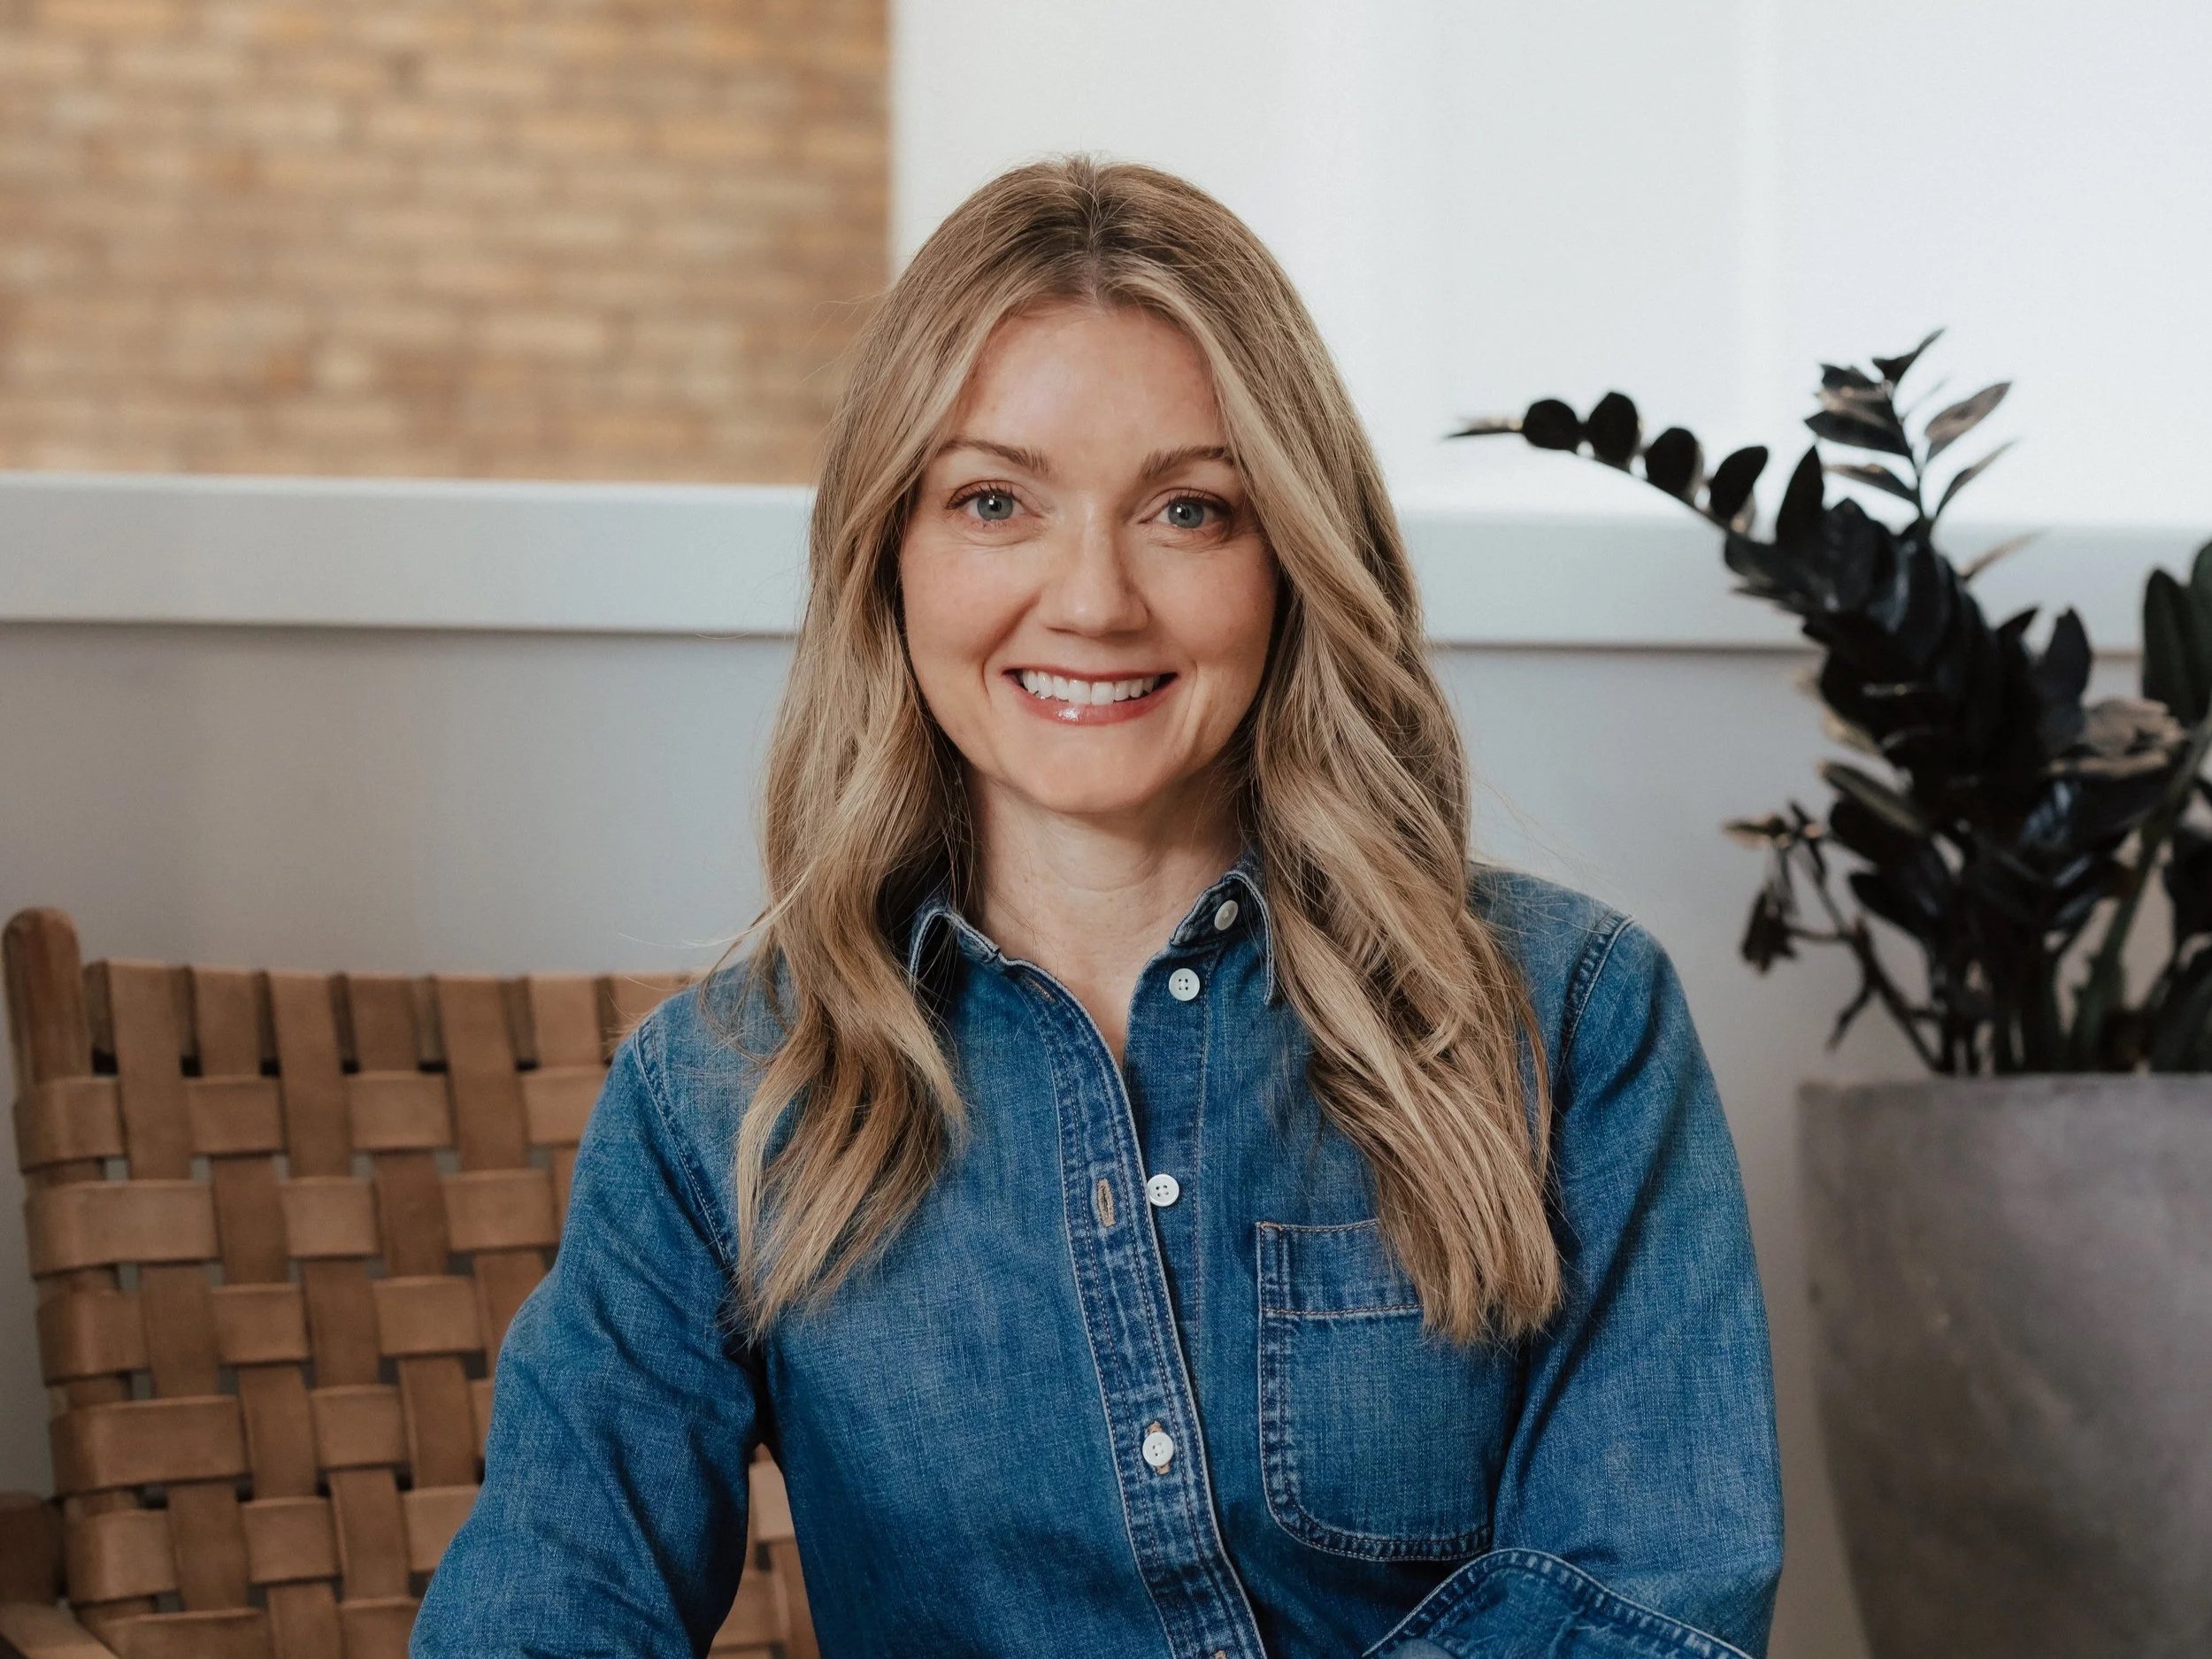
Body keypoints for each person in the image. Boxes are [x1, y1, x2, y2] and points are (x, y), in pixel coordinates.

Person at [412, 157, 1784, 1659]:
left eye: (1189, 510)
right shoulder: (718, 1102)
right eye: (995, 501)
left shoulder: (1573, 1019)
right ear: (890, 555)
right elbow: (543, 1616)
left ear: (1293, 560)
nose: (1094, 601)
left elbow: (1653, 1602)